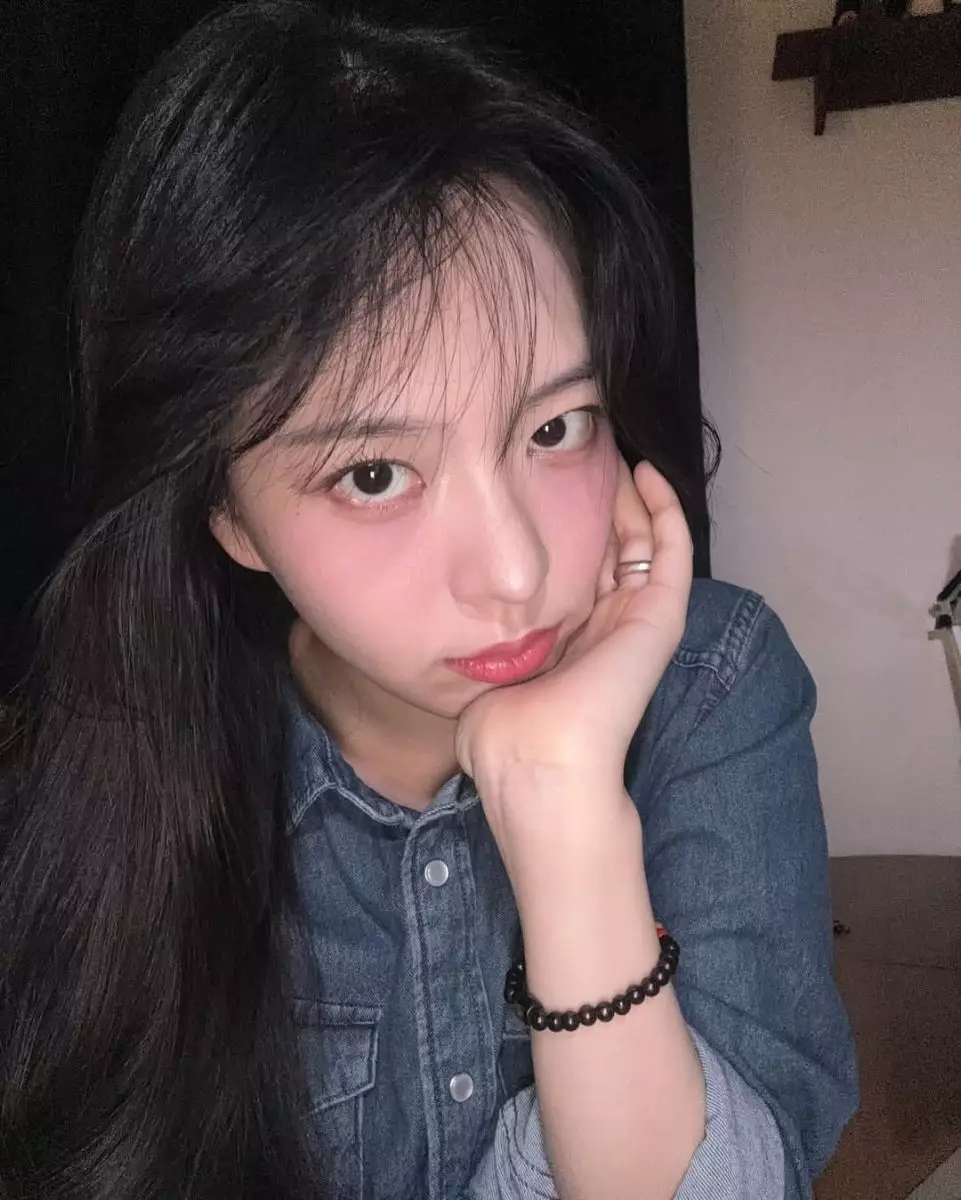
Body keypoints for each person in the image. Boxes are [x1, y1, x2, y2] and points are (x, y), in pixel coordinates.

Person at [0, 3, 858, 1198]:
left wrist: (562, 812)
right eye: (372, 475)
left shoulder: (710, 686)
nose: (512, 572)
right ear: (228, 513)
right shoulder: (114, 769)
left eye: (555, 428)